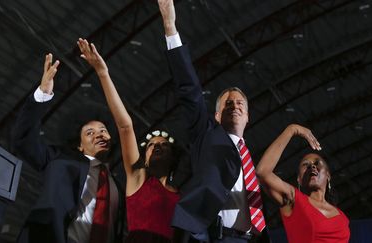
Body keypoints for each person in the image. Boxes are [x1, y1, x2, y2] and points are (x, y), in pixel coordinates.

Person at [158, 0, 270, 242]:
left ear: (248, 117)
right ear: (216, 116)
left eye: (240, 103)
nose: (235, 105)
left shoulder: (249, 157)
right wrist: (170, 27)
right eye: (227, 103)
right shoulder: (206, 134)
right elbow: (190, 90)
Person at [77, 38, 189, 242]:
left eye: (164, 145)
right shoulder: (138, 177)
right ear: (144, 156)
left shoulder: (181, 196)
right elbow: (125, 126)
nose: (156, 146)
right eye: (152, 144)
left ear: (174, 158)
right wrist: (103, 73)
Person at [12, 52, 125, 243]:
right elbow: (23, 140)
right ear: (79, 146)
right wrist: (42, 94)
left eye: (103, 130)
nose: (99, 134)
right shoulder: (59, 160)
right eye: (90, 132)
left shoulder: (118, 187)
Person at [256, 124, 350, 243]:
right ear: (299, 179)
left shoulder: (343, 217)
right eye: (305, 165)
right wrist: (292, 129)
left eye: (317, 163)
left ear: (328, 176)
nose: (312, 166)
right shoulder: (293, 200)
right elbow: (262, 172)